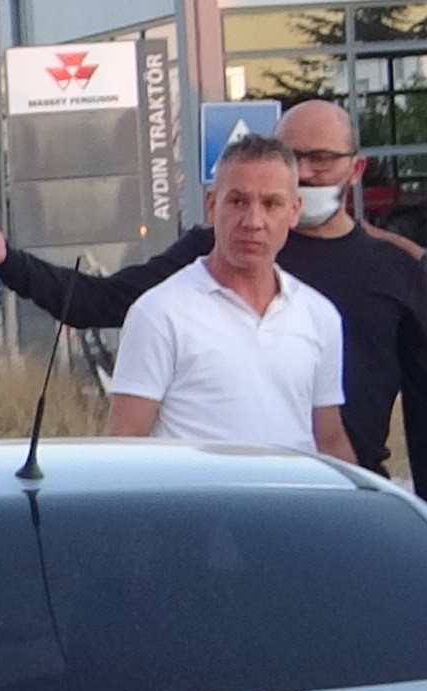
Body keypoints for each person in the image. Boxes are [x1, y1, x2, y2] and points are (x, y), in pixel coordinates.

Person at [0, 99, 427, 515]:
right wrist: (8, 260)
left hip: (329, 507)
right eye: (290, 157)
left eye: (319, 160)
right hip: (211, 514)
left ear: (355, 169)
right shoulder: (213, 251)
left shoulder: (393, 268)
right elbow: (100, 302)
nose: (301, 172)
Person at [102, 131, 351, 456]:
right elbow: (125, 442)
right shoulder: (160, 314)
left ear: (294, 211)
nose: (253, 221)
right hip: (199, 506)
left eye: (271, 204)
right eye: (238, 201)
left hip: (295, 505)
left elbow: (329, 440)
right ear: (211, 205)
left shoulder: (319, 315)